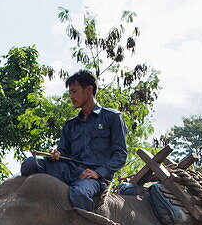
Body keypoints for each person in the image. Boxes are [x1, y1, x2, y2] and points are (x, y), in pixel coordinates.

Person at [20, 69, 128, 211]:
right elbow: (63, 151)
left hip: (94, 177)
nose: (71, 97)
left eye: (74, 91)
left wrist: (99, 173)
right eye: (70, 92)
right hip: (69, 170)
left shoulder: (112, 117)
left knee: (78, 193)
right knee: (29, 164)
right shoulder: (70, 124)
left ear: (89, 90)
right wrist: (55, 153)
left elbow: (121, 155)